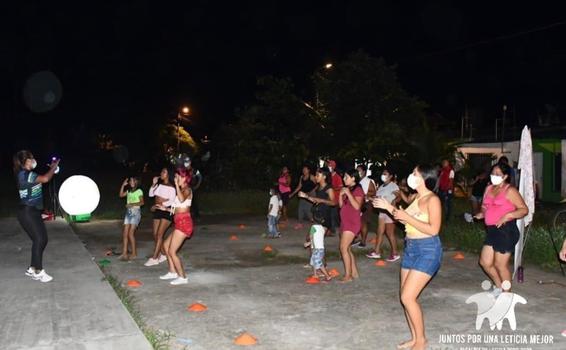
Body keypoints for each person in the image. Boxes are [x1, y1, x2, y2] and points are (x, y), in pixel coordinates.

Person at [373, 164, 442, 350]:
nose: (411, 176)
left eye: (414, 173)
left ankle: (421, 342)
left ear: (424, 178)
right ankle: (415, 338)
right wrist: (388, 206)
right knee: (406, 298)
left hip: (428, 250)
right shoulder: (416, 197)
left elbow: (433, 229)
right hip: (411, 248)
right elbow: (403, 217)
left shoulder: (432, 200)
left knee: (408, 297)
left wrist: (407, 217)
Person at [474, 162, 528, 295]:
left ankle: (507, 294)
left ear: (505, 176)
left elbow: (524, 210)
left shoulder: (510, 191)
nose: (494, 176)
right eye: (493, 173)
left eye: (498, 174)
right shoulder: (489, 188)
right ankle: (499, 287)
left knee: (500, 265)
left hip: (506, 231)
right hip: (492, 230)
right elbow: (485, 206)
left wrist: (508, 215)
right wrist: (482, 212)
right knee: (485, 262)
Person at [13, 150, 60, 282]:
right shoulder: (25, 174)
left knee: (38, 240)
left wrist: (52, 169)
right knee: (41, 239)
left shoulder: (27, 174)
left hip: (30, 211)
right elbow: (45, 179)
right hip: (28, 212)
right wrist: (54, 168)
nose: (34, 160)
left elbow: (42, 178)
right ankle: (38, 271)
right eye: (31, 158)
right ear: (26, 161)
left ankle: (32, 268)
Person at [160, 168, 194, 285]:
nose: (176, 179)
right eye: (175, 177)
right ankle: (172, 272)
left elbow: (181, 199)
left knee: (172, 251)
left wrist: (175, 185)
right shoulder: (181, 190)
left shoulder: (187, 190)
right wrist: (166, 209)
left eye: (178, 177)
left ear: (185, 178)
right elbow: (177, 209)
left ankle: (183, 277)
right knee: (165, 245)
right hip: (179, 222)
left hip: (184, 223)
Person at [299, 167, 335, 267]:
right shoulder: (318, 187)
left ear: (324, 176)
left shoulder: (329, 188)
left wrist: (321, 201)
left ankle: (322, 264)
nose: (315, 177)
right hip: (318, 217)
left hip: (324, 219)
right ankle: (314, 262)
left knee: (317, 241)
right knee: (310, 239)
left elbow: (333, 202)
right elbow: (315, 200)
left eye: (318, 175)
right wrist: (306, 196)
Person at [366, 168, 400, 262]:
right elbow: (378, 198)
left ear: (391, 176)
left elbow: (399, 196)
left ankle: (395, 253)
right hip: (382, 212)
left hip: (389, 212)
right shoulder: (381, 187)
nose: (383, 175)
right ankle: (377, 252)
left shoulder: (393, 186)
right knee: (379, 232)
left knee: (390, 233)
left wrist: (394, 201)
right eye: (383, 173)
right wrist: (370, 198)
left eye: (385, 174)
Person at [145, 168, 176, 267]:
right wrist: (154, 184)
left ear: (168, 174)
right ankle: (163, 254)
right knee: (155, 234)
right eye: (161, 171)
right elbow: (151, 194)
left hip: (166, 211)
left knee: (159, 234)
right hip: (158, 210)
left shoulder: (171, 187)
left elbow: (172, 201)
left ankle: (155, 258)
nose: (161, 173)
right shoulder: (159, 185)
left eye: (164, 172)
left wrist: (161, 205)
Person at [338, 169, 364, 282]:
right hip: (345, 222)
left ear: (353, 178)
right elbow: (341, 206)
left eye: (346, 177)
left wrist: (348, 193)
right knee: (347, 248)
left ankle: (348, 276)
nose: (344, 179)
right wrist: (340, 195)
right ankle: (354, 273)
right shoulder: (348, 189)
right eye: (344, 177)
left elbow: (357, 206)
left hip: (352, 223)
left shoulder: (358, 190)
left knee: (343, 248)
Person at [118, 176, 144, 261]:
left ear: (136, 182)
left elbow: (142, 202)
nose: (131, 182)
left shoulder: (139, 191)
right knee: (125, 234)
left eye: (133, 180)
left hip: (135, 212)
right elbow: (121, 195)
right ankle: (124, 253)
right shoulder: (129, 191)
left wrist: (131, 204)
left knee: (130, 234)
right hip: (128, 213)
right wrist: (123, 185)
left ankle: (134, 253)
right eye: (130, 181)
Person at [354, 164, 376, 248]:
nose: (357, 172)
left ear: (364, 172)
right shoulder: (357, 181)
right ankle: (356, 238)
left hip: (366, 204)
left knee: (363, 222)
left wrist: (364, 194)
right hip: (358, 203)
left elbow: (373, 192)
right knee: (357, 221)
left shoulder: (368, 181)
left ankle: (363, 241)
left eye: (359, 170)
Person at [308, 216, 332, 281]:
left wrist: (308, 244)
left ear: (312, 219)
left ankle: (327, 276)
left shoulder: (313, 227)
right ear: (322, 221)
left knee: (318, 263)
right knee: (313, 261)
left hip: (316, 248)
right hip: (321, 248)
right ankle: (315, 274)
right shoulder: (323, 228)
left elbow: (311, 237)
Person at [327, 160, 343, 235]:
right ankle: (332, 228)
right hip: (329, 197)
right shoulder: (328, 176)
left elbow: (340, 187)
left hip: (335, 198)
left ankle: (333, 230)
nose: (328, 167)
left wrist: (332, 189)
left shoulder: (337, 177)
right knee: (330, 213)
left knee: (333, 214)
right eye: (328, 165)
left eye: (330, 165)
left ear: (333, 167)